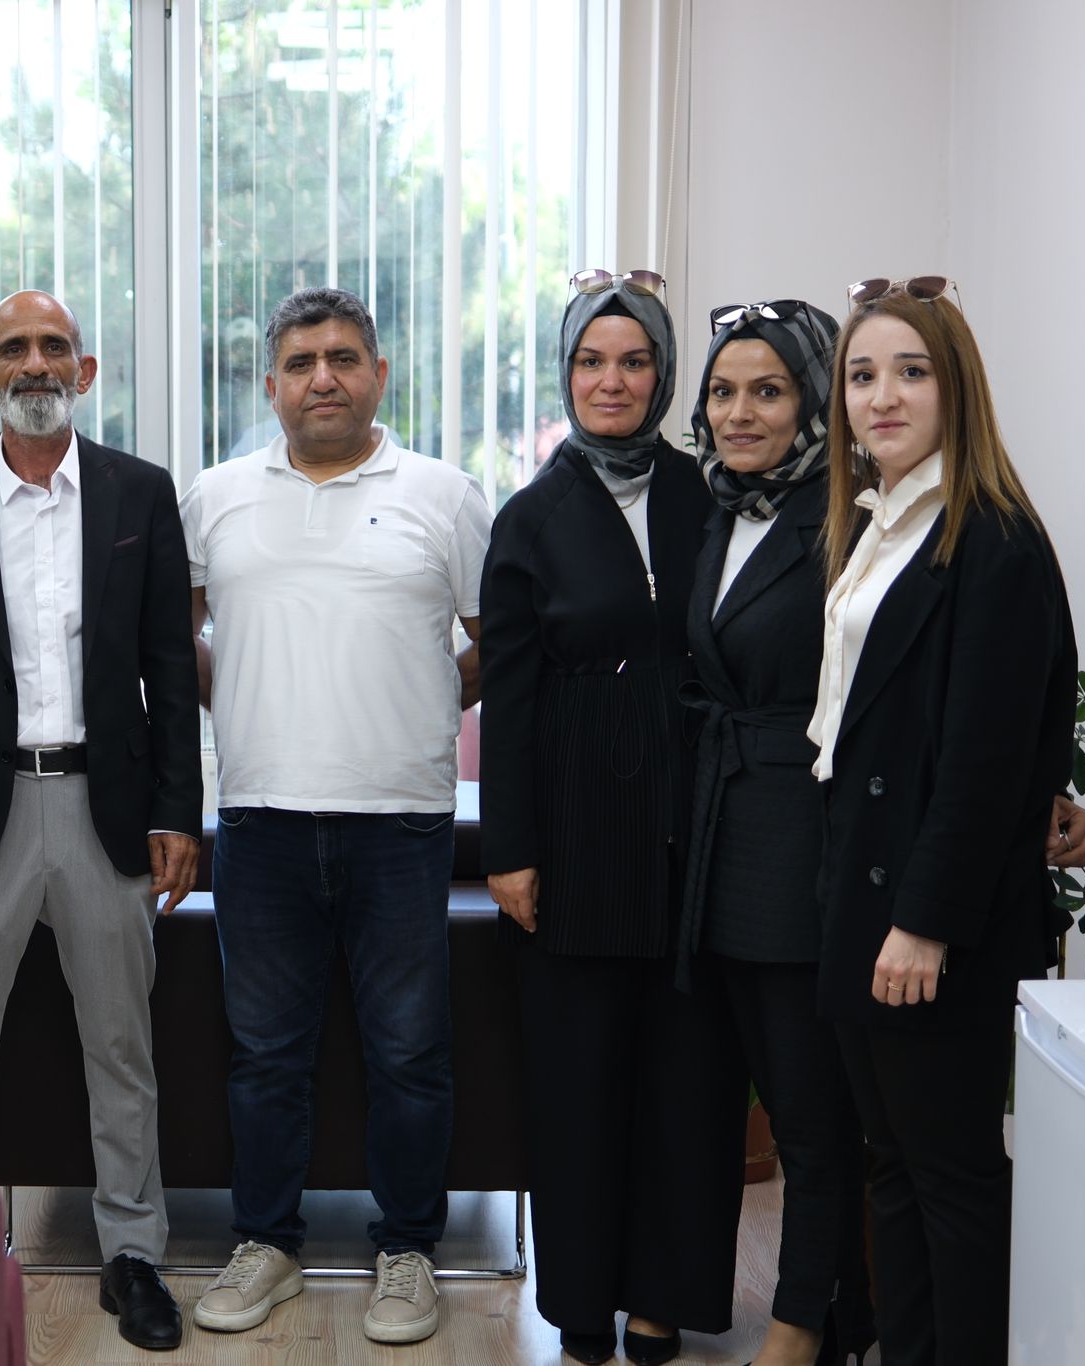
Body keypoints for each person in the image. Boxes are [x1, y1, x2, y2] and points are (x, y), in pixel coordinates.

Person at [0, 290, 201, 1353]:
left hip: (108, 810)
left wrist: (177, 807)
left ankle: (133, 1254)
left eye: (53, 347)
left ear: (84, 371)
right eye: (11, 349)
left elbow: (167, 667)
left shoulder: (138, 493)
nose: (34, 363)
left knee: (121, 1046)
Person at [180, 286, 491, 1347]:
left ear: (378, 375)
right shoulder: (215, 496)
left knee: (409, 1053)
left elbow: (496, 636)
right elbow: (173, 631)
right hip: (260, 819)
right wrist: (238, 694)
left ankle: (406, 1252)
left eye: (344, 358)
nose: (324, 377)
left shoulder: (444, 494)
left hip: (401, 821)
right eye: (302, 361)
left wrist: (429, 697)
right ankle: (265, 1244)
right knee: (264, 1054)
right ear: (269, 384)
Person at [806, 277, 1076, 1366]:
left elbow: (983, 765)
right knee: (891, 1165)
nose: (882, 396)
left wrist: (921, 922)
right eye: (861, 375)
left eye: (910, 373)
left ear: (955, 388)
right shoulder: (876, 525)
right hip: (861, 896)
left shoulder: (993, 541)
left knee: (952, 1178)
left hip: (931, 923)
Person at [479, 270, 742, 1366]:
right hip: (575, 829)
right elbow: (508, 698)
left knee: (687, 1074)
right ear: (565, 372)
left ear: (663, 375)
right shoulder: (529, 517)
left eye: (634, 362)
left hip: (696, 823)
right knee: (579, 1075)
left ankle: (662, 1298)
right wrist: (510, 850)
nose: (612, 380)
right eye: (591, 360)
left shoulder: (714, 496)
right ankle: (583, 1298)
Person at [679, 299, 873, 1366]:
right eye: (722, 391)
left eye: (768, 391)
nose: (739, 413)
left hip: (802, 836)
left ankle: (801, 1320)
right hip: (720, 834)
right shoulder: (720, 509)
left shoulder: (847, 519)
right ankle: (833, 1310)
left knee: (807, 1107)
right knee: (739, 1090)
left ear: (811, 402)